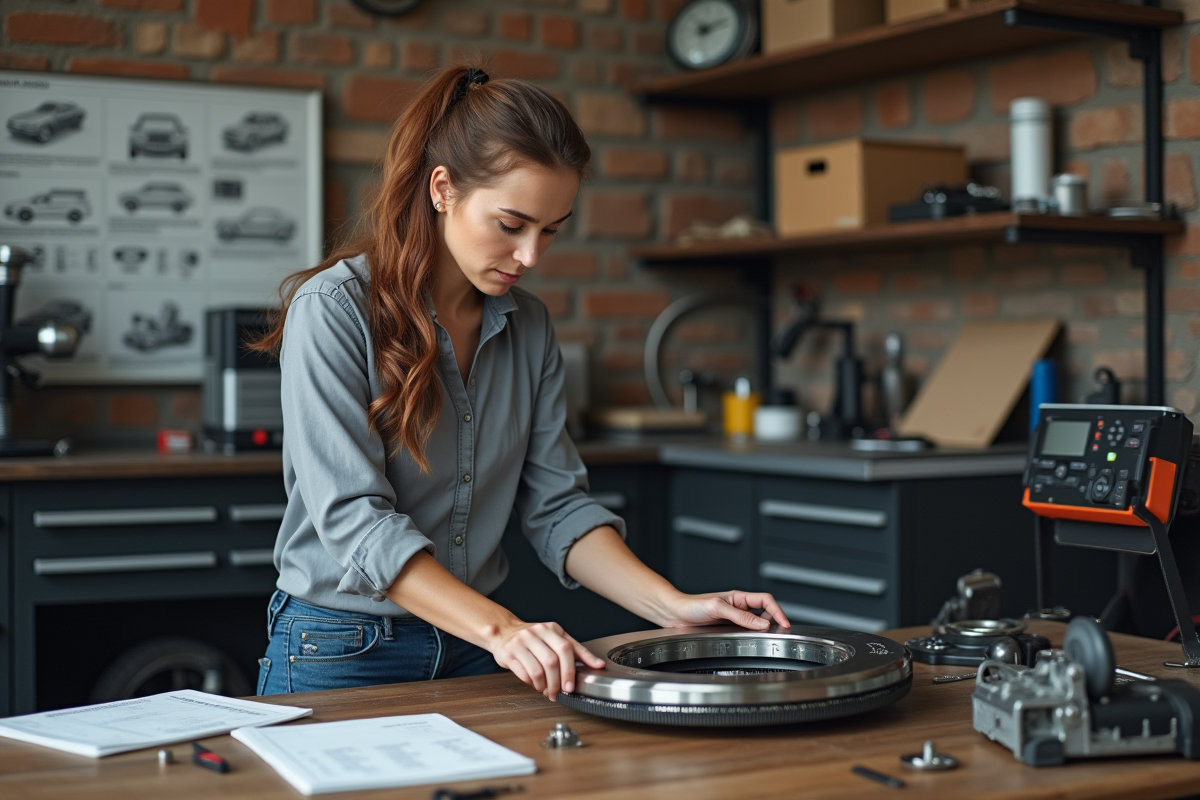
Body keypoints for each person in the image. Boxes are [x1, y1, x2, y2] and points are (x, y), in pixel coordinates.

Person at [253, 64, 790, 702]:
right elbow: (354, 522)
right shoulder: (336, 309)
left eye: (550, 231)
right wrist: (505, 631)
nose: (531, 256)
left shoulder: (528, 325)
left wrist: (672, 605)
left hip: (471, 644)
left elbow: (556, 505)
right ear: (442, 189)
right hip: (343, 645)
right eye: (512, 225)